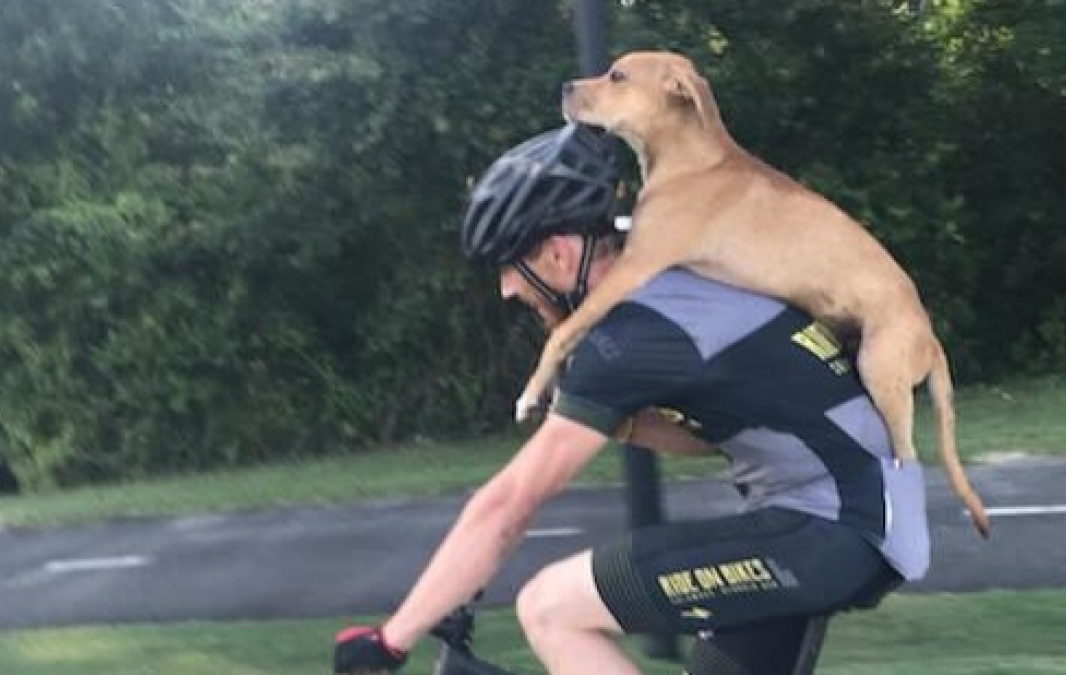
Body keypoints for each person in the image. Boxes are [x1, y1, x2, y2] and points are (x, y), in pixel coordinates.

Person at [333, 124, 930, 675]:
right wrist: (627, 426)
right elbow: (739, 424)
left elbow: (508, 507)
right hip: (861, 515)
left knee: (549, 607)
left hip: (833, 528)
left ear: (559, 254)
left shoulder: (629, 335)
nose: (507, 288)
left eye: (511, 265)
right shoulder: (674, 266)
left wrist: (389, 642)